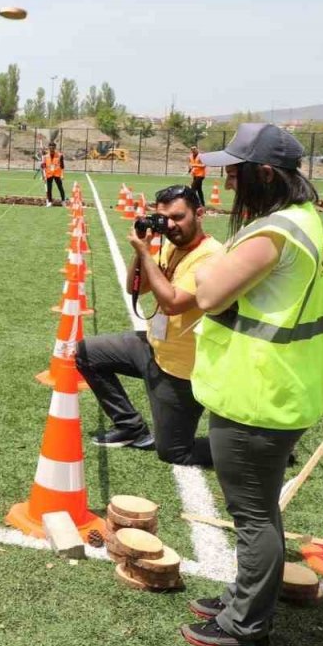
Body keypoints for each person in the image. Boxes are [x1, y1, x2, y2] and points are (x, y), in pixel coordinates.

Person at [178, 124, 323, 646]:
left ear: (264, 174)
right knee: (259, 509)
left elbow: (208, 293)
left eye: (236, 171)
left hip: (257, 394)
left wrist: (212, 266)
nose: (227, 180)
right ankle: (245, 600)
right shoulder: (301, 220)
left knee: (251, 516)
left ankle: (245, 626)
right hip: (276, 390)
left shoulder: (272, 232)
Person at [77, 185, 222, 464]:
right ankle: (130, 426)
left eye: (178, 217)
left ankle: (254, 453)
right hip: (155, 347)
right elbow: (138, 288)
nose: (170, 225)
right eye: (163, 217)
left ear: (200, 213)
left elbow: (173, 303)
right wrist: (141, 249)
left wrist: (145, 254)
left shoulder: (212, 256)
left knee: (173, 452)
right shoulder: (171, 245)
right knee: (86, 352)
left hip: (182, 367)